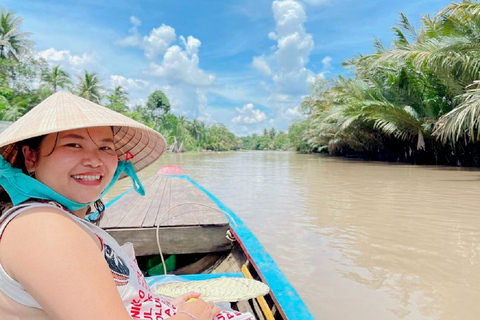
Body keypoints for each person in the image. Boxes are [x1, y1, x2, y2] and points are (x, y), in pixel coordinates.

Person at [0, 91, 253, 320]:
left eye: (105, 147)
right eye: (73, 144)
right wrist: (189, 316)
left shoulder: (62, 221)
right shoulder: (41, 228)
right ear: (31, 157)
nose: (94, 160)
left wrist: (159, 307)